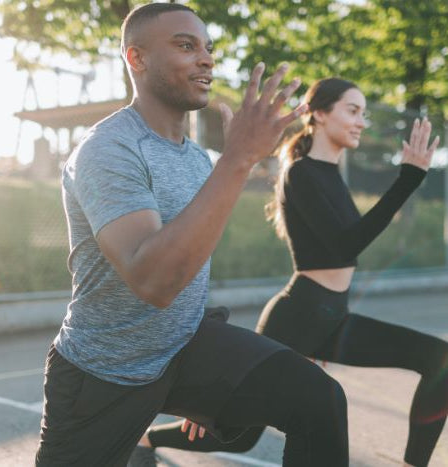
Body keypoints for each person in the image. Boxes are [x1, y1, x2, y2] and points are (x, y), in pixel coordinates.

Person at [34, 4, 352, 467]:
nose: (206, 59)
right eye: (186, 46)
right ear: (136, 59)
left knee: (318, 398)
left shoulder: (197, 159)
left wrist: (217, 382)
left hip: (183, 349)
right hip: (104, 372)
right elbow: (155, 281)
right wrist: (238, 158)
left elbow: (191, 261)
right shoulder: (108, 150)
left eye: (208, 48)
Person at [138, 78, 448, 467]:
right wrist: (408, 180)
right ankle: (145, 439)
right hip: (298, 316)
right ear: (318, 113)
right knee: (239, 435)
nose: (361, 122)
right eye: (352, 111)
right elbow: (344, 247)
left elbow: (345, 245)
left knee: (439, 358)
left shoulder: (331, 174)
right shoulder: (300, 173)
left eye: (364, 113)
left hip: (334, 317)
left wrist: (409, 179)